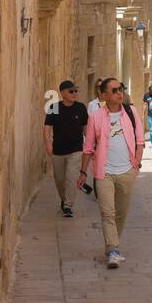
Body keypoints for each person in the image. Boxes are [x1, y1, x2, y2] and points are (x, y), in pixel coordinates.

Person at [77, 76, 144, 268]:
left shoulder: (132, 112)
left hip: (127, 172)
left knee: (121, 213)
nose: (119, 93)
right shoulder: (96, 117)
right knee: (107, 212)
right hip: (104, 172)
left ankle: (111, 243)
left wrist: (136, 166)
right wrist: (83, 172)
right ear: (104, 95)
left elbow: (140, 141)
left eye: (120, 89)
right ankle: (114, 249)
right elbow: (89, 148)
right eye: (114, 90)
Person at [45, 80, 88, 217]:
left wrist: (91, 145)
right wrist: (48, 143)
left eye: (76, 90)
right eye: (71, 91)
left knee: (71, 177)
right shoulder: (54, 107)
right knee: (59, 179)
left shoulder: (81, 107)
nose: (74, 93)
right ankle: (64, 200)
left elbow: (86, 128)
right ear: (62, 93)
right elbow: (47, 128)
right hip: (58, 150)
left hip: (76, 150)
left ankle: (68, 205)